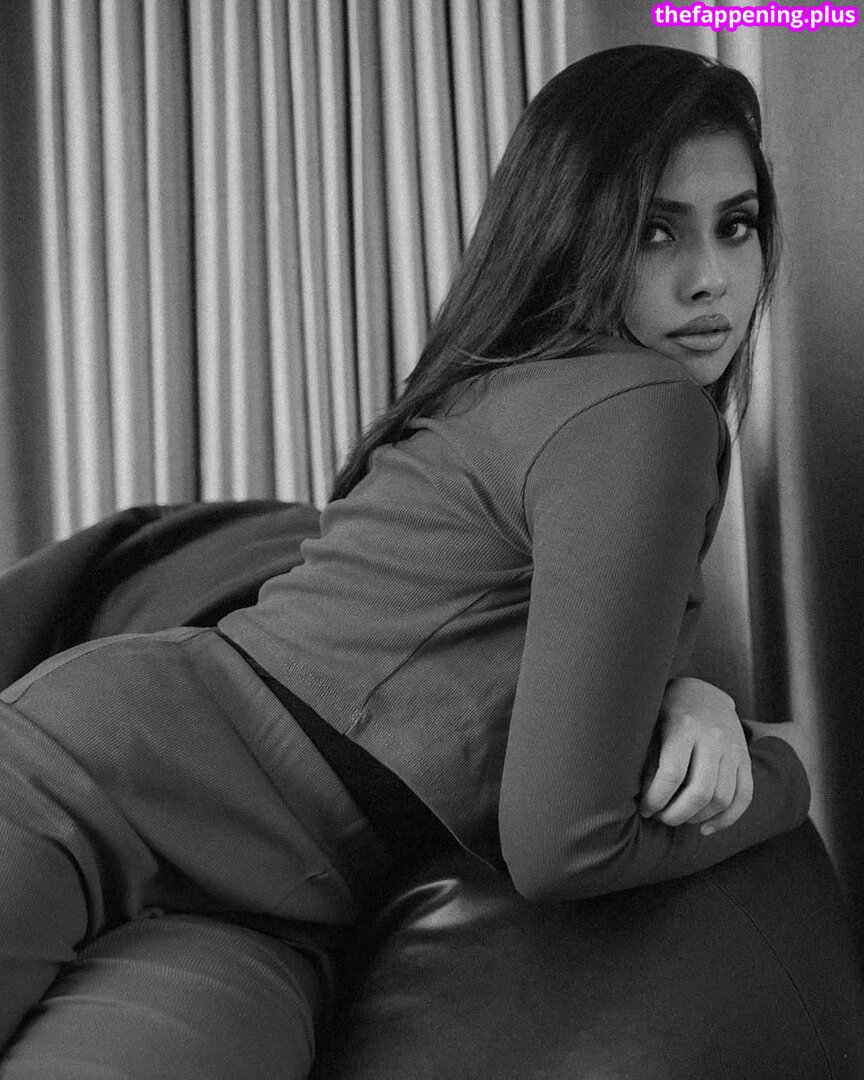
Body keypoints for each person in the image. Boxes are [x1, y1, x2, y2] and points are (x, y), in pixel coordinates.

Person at [0, 43, 809, 1079]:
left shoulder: (565, 391)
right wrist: (789, 772)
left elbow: (549, 689)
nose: (711, 279)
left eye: (737, 225)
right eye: (656, 230)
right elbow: (567, 841)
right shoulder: (643, 412)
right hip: (103, 781)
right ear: (576, 233)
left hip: (267, 910)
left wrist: (694, 699)